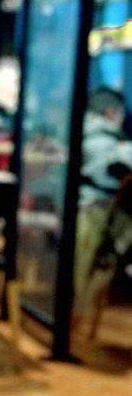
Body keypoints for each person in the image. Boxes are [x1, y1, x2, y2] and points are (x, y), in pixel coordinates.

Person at [74, 87, 132, 313]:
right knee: (85, 271)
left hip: (82, 208)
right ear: (110, 111)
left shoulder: (81, 131)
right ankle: (79, 316)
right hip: (96, 210)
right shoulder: (110, 142)